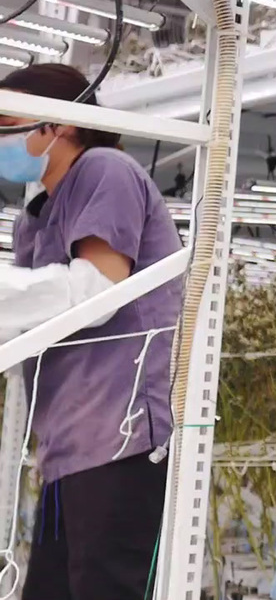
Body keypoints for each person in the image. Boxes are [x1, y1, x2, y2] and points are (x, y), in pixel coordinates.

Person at [0, 63, 181, 600]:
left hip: (118, 439)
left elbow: (97, 290)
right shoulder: (35, 215)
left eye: (7, 119)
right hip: (67, 447)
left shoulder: (105, 170)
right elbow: (27, 317)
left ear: (60, 124)